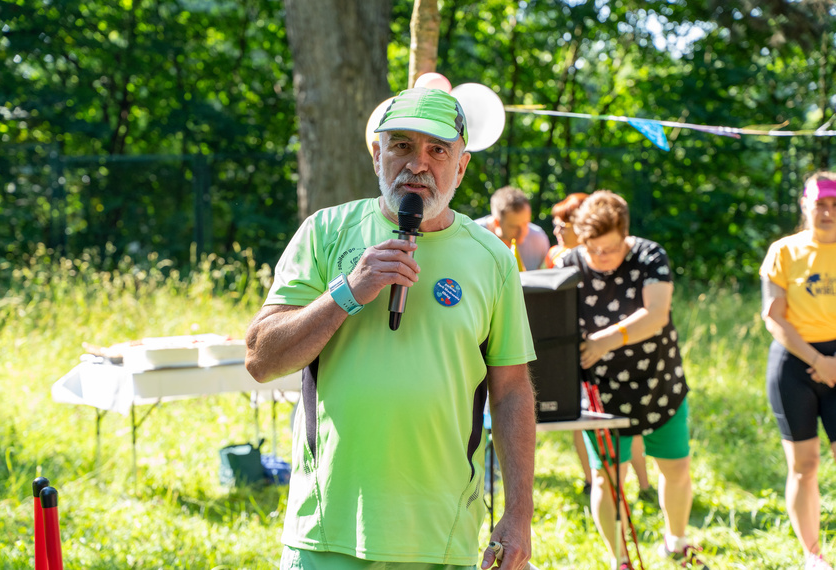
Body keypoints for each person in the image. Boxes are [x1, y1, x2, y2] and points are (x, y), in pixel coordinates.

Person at [245, 87, 537, 570]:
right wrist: (348, 291)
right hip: (327, 529)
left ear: (460, 167)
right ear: (378, 155)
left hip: (439, 533)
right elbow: (260, 359)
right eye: (401, 146)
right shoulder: (326, 232)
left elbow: (512, 393)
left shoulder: (493, 260)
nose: (417, 164)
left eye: (437, 150)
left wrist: (519, 515)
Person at [558, 190, 707, 570]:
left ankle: (675, 541)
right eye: (593, 248)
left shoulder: (650, 255)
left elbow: (656, 314)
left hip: (658, 382)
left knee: (675, 468)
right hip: (601, 392)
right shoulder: (568, 263)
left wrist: (606, 340)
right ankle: (619, 557)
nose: (601, 258)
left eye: (609, 248)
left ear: (626, 233)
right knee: (607, 479)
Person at [547, 192, 655, 499]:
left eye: (563, 225)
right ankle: (596, 481)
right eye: (555, 226)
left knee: (629, 428)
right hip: (585, 365)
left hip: (624, 363)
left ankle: (642, 483)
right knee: (588, 429)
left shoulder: (624, 258)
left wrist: (606, 341)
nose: (559, 232)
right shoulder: (563, 259)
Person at [760, 171, 836, 570]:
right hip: (795, 363)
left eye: (835, 204)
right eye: (820, 203)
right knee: (804, 466)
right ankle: (813, 554)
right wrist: (819, 361)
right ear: (805, 205)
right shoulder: (784, 251)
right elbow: (774, 318)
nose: (828, 212)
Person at [475, 186, 550, 271]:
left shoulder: (538, 239)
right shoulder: (472, 236)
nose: (523, 232)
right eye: (514, 226)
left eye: (526, 223)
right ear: (497, 223)